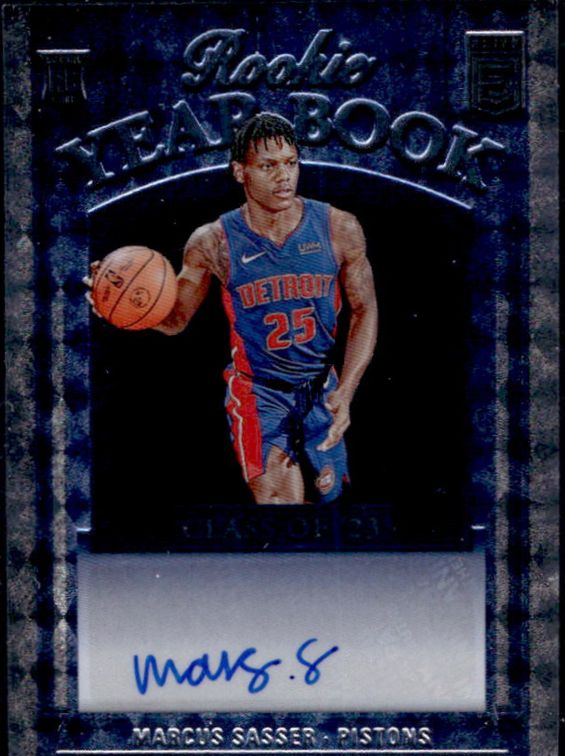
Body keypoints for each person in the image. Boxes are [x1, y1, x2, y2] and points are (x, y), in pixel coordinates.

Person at [87, 112, 378, 504]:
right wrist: (119, 304)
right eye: (268, 166)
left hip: (320, 388)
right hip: (259, 395)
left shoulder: (338, 227)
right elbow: (175, 319)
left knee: (330, 509)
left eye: (291, 163)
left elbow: (364, 309)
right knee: (280, 504)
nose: (284, 176)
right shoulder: (213, 242)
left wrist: (347, 390)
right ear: (241, 171)